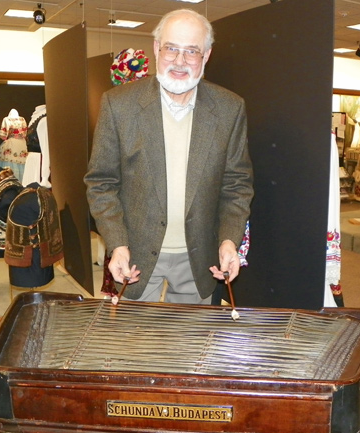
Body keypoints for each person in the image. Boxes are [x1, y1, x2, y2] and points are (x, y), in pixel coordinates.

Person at [85, 8, 254, 304]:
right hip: (135, 255)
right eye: (171, 48)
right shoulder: (118, 105)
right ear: (156, 48)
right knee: (136, 343)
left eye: (191, 51)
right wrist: (117, 243)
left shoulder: (230, 109)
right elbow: (101, 183)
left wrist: (229, 240)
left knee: (191, 344)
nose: (179, 61)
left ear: (206, 56)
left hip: (200, 256)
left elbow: (237, 186)